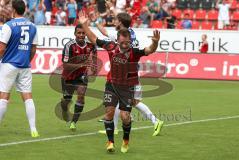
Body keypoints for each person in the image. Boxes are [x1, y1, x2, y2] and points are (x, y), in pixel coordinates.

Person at [78, 11, 161, 153]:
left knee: (125, 117)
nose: (125, 45)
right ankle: (110, 142)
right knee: (109, 113)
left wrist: (155, 42)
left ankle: (126, 140)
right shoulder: (111, 47)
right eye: (123, 43)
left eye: (127, 43)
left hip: (127, 87)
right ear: (117, 41)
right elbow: (94, 39)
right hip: (111, 84)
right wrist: (85, 25)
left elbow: (149, 50)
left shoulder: (134, 52)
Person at [96, 4, 163, 137]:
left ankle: (156, 121)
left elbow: (103, 31)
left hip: (128, 76)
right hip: (129, 73)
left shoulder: (119, 36)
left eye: (116, 20)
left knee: (133, 102)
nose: (114, 20)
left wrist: (97, 21)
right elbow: (122, 18)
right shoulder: (129, 31)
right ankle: (114, 127)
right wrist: (111, 9)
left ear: (120, 23)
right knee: (120, 101)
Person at [0, 0, 39, 137]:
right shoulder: (33, 26)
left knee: (3, 96)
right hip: (25, 66)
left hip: (9, 64)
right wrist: (26, 61)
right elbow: (33, 49)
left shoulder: (8, 26)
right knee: (28, 97)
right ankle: (33, 129)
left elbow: (2, 48)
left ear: (14, 10)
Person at [60, 24, 97, 131]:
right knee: (66, 100)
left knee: (81, 96)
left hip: (82, 76)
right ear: (75, 34)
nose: (81, 35)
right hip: (68, 76)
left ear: (86, 34)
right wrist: (82, 65)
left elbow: (95, 57)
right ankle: (64, 109)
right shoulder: (69, 46)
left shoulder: (91, 45)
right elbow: (65, 65)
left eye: (83, 33)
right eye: (79, 33)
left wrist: (92, 68)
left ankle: (74, 122)